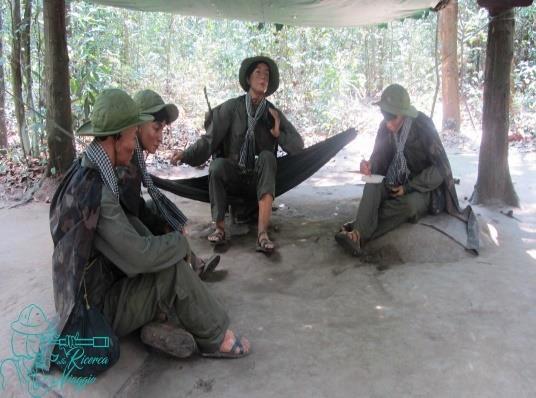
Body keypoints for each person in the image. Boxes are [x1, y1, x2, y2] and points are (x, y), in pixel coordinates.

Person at [48, 89, 250, 369]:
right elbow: (138, 257)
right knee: (172, 273)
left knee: (150, 242)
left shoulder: (86, 172)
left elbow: (131, 225)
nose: (134, 145)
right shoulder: (97, 192)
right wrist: (179, 246)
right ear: (116, 137)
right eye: (132, 135)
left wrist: (165, 244)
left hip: (93, 289)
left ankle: (156, 323)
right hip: (90, 314)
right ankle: (216, 336)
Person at [171, 56, 304, 253]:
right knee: (216, 166)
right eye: (258, 72)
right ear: (249, 79)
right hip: (235, 175)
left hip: (260, 179)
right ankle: (220, 229)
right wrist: (186, 154)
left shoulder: (272, 113)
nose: (263, 77)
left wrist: (278, 133)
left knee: (268, 157)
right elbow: (210, 138)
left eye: (266, 74)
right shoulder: (232, 107)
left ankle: (262, 234)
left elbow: (298, 146)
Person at [335, 83, 466, 256]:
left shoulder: (423, 126)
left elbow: (440, 170)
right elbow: (379, 157)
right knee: (372, 184)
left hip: (422, 188)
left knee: (408, 206)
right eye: (386, 118)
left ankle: (359, 231)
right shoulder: (385, 126)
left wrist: (408, 187)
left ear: (404, 114)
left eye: (393, 119)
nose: (389, 125)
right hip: (393, 180)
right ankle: (358, 233)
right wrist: (369, 165)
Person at [117, 89, 220, 280]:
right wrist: (164, 228)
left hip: (125, 223)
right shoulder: (126, 159)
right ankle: (182, 267)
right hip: (119, 238)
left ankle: (192, 262)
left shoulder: (135, 155)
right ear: (137, 126)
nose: (161, 137)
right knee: (157, 214)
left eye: (162, 129)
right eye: (156, 128)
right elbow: (132, 214)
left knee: (159, 207)